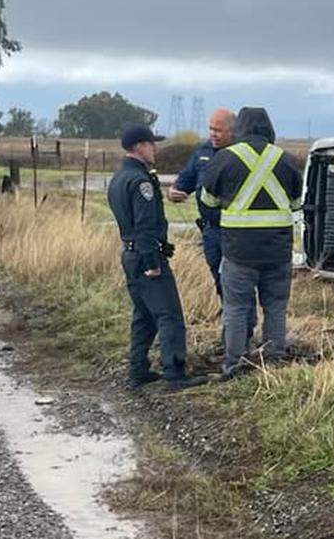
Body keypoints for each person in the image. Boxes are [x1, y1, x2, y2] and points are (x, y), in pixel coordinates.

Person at [199, 107, 303, 378]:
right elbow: (296, 204)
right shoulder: (287, 160)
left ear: (239, 129)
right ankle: (274, 360)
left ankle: (235, 365)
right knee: (276, 307)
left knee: (235, 308)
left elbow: (207, 200)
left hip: (238, 251)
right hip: (278, 251)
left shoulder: (224, 159)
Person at [107, 125, 208, 391]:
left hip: (129, 255)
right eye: (152, 144)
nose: (155, 148)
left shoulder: (119, 178)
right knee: (169, 315)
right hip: (145, 257)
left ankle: (138, 368)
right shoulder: (141, 182)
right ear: (139, 146)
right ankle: (175, 371)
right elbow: (145, 225)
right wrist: (152, 262)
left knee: (144, 315)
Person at [168, 108, 256, 346]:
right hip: (211, 232)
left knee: (238, 284)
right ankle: (231, 331)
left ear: (233, 130)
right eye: (210, 129)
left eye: (218, 130)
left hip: (237, 232)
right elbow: (184, 182)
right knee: (221, 284)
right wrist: (175, 192)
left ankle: (242, 335)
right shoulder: (202, 153)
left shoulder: (243, 153)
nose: (213, 134)